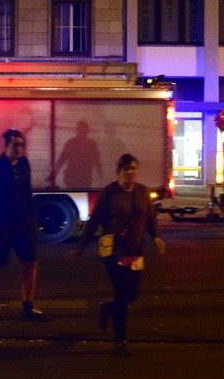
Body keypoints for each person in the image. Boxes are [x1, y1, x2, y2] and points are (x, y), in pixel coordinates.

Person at [71, 153, 166, 356]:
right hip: (114, 250)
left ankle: (107, 307)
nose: (130, 173)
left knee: (133, 293)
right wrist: (81, 245)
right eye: (126, 170)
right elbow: (94, 221)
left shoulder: (142, 192)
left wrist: (156, 237)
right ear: (119, 172)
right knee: (123, 293)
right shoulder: (109, 193)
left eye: (133, 169)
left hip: (135, 252)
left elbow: (150, 218)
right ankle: (120, 339)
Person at [0, 128, 47, 322]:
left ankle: (28, 307)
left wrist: (31, 216)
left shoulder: (24, 164)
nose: (19, 148)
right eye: (15, 144)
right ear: (5, 145)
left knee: (30, 263)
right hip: (3, 225)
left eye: (22, 144)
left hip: (24, 224)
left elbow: (26, 191)